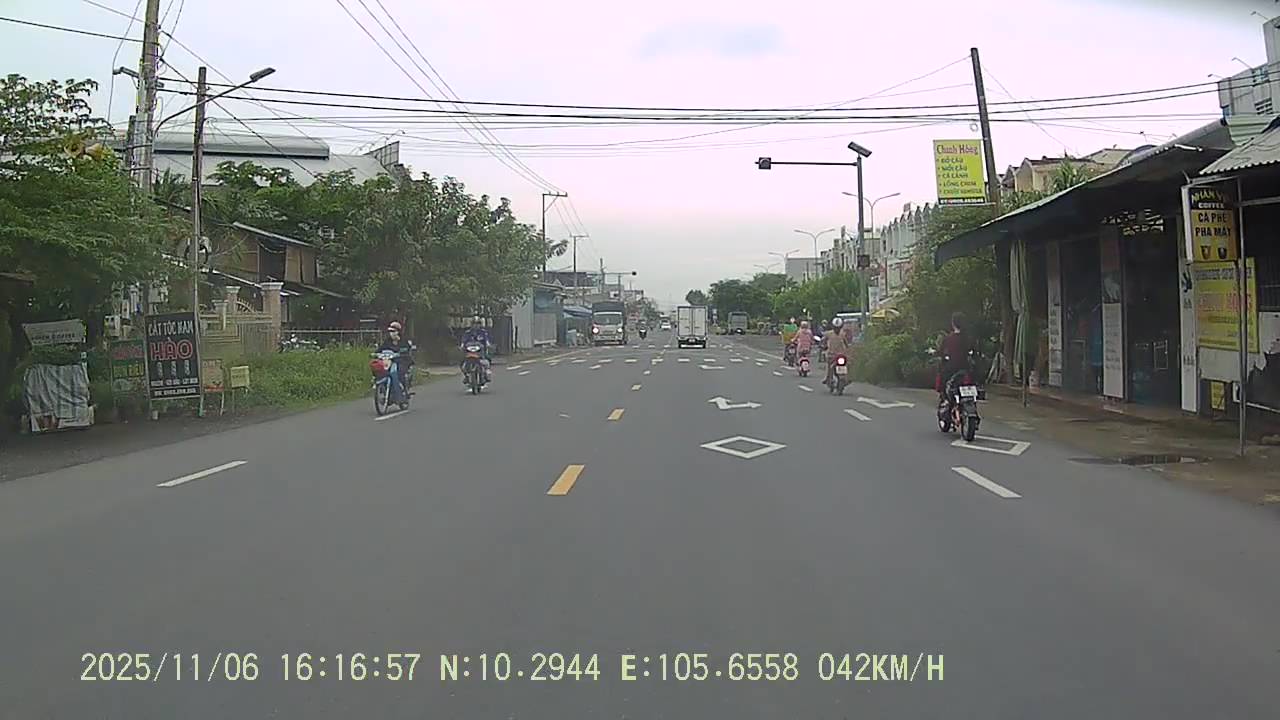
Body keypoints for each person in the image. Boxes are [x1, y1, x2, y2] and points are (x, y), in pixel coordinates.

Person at [936, 311, 975, 400]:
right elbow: (973, 351)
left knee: (943, 378)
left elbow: (941, 352)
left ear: (953, 323)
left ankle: (945, 398)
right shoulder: (968, 338)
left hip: (952, 368)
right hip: (966, 367)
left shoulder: (948, 339)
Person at [377, 321, 414, 399]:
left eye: (393, 331)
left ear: (398, 332)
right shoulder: (387, 341)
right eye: (390, 331)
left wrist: (401, 352)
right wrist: (375, 354)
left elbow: (407, 349)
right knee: (382, 371)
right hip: (389, 362)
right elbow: (380, 349)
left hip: (402, 361)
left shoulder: (403, 341)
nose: (391, 333)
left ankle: (402, 390)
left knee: (399, 372)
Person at [460, 316, 493, 384]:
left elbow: (487, 340)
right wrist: (462, 345)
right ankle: (466, 376)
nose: (476, 325)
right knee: (462, 363)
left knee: (487, 360)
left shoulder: (483, 332)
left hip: (480, 352)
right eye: (474, 323)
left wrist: (488, 344)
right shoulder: (468, 333)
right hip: (470, 352)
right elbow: (463, 341)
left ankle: (486, 373)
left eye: (477, 323)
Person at [824, 317, 850, 386]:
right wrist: (823, 346)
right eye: (836, 328)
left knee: (847, 364)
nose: (837, 329)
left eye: (838, 328)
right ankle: (829, 378)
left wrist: (848, 351)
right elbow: (823, 341)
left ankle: (846, 378)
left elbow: (846, 344)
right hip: (831, 355)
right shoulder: (828, 334)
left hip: (841, 355)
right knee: (830, 366)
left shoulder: (843, 334)